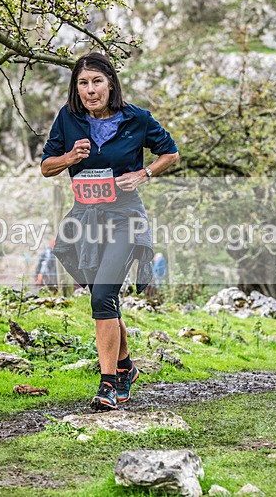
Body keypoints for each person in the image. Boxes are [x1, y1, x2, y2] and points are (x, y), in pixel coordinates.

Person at [41, 52, 179, 410]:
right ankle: (126, 366)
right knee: (105, 296)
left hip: (124, 219)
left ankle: (108, 383)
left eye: (97, 82)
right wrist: (70, 157)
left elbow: (171, 152)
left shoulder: (137, 119)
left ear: (111, 83)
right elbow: (46, 166)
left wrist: (144, 173)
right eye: (83, 83)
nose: (90, 90)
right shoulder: (68, 119)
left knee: (102, 294)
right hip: (86, 220)